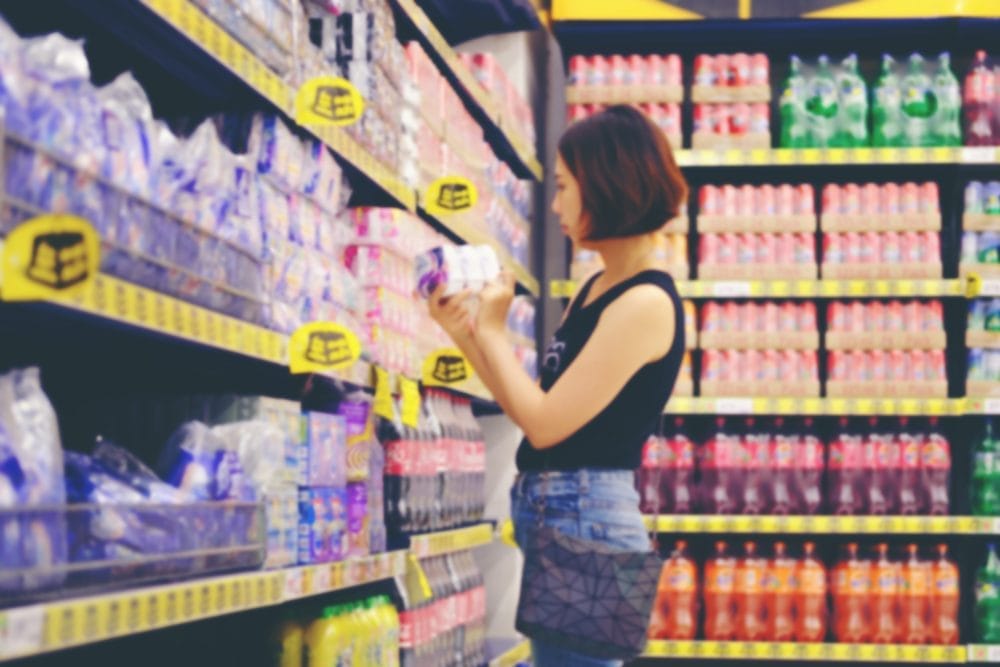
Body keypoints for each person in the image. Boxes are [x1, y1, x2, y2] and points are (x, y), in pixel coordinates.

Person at [429, 104, 687, 666]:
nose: (555, 205)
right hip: (562, 512)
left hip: (586, 518)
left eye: (565, 186)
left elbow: (545, 427)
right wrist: (466, 332)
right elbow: (531, 405)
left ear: (606, 186)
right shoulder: (597, 286)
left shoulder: (644, 302)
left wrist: (493, 329)